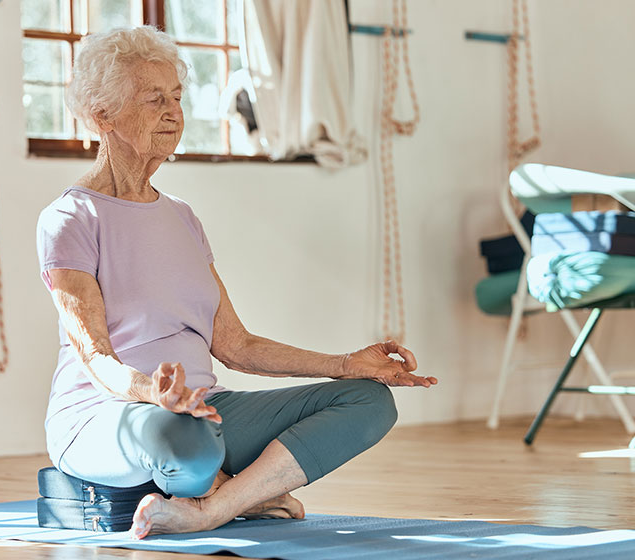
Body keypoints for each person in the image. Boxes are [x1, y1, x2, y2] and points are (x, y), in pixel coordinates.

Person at [36, 26, 438, 540]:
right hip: (109, 415)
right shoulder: (70, 218)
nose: (173, 112)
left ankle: (216, 506)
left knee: (369, 400)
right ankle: (244, 491)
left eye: (177, 97)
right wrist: (152, 394)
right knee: (186, 442)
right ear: (102, 115)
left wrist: (346, 365)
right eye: (153, 99)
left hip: (202, 409)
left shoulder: (181, 217)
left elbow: (236, 346)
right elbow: (94, 358)